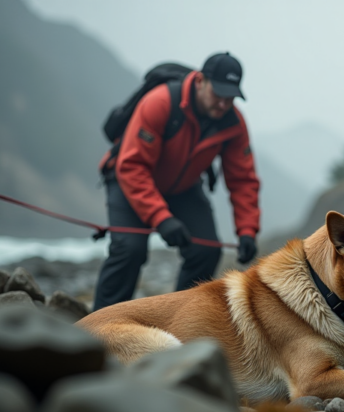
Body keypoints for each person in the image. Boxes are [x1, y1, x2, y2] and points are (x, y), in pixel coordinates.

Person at [93, 52, 260, 311]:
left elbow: (243, 181)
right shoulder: (160, 103)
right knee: (129, 249)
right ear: (200, 81)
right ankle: (101, 328)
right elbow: (133, 166)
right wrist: (161, 218)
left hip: (183, 188)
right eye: (218, 94)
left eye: (231, 98)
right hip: (129, 179)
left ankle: (179, 322)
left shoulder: (233, 123)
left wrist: (247, 231)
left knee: (207, 251)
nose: (223, 105)